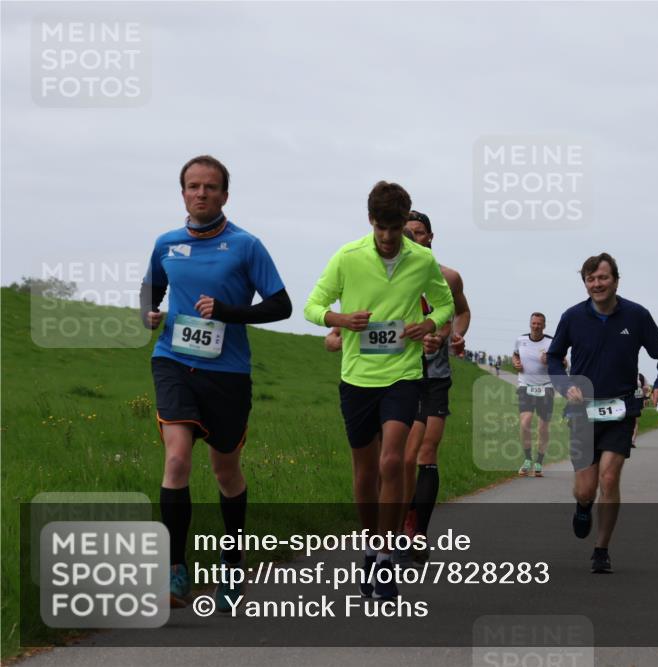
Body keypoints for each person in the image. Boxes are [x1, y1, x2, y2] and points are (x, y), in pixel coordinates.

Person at [140, 155, 293, 611]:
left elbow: (281, 305)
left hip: (227, 372)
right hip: (173, 360)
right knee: (177, 460)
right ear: (182, 193)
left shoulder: (246, 246)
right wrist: (147, 315)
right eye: (192, 186)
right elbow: (152, 290)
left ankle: (232, 562)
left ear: (225, 195)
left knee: (225, 472)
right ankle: (174, 570)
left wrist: (230, 312)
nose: (201, 193)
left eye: (210, 187)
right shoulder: (166, 243)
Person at [304, 181, 454, 599]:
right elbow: (312, 306)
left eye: (394, 228)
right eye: (381, 227)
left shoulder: (422, 260)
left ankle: (387, 557)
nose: (387, 237)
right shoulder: (348, 257)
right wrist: (340, 319)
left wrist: (429, 326)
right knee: (365, 469)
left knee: (392, 460)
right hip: (356, 377)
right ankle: (370, 548)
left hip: (403, 374)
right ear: (371, 221)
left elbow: (445, 306)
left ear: (403, 224)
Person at [547, 253, 658, 573]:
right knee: (586, 487)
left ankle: (601, 549)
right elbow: (553, 358)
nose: (597, 284)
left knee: (609, 476)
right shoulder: (572, 317)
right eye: (590, 279)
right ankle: (583, 505)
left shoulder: (636, 315)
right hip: (581, 410)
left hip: (620, 407)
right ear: (585, 283)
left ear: (615, 280)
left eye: (603, 278)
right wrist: (565, 385)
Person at [400, 210, 470, 564]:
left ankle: (417, 531)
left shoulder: (449, 277)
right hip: (397, 374)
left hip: (436, 376)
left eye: (420, 232)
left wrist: (453, 334)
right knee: (401, 455)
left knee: (426, 453)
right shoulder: (390, 277)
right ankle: (398, 520)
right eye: (407, 232)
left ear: (430, 237)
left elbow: (462, 312)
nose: (414, 236)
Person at [513, 313, 555, 477]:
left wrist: (550, 360)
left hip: (546, 387)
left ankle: (539, 460)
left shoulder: (551, 342)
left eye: (539, 324)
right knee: (525, 422)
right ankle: (527, 459)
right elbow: (516, 353)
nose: (536, 326)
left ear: (544, 326)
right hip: (525, 385)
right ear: (530, 324)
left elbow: (564, 362)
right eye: (533, 323)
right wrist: (516, 361)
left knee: (543, 427)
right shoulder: (520, 340)